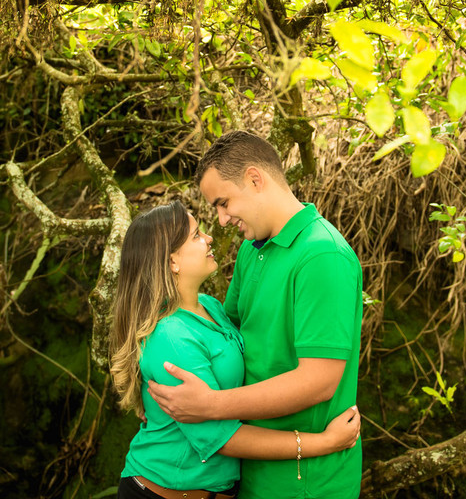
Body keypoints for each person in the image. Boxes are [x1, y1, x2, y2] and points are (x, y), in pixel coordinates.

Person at [147, 131, 364, 498]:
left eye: (223, 202)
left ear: (254, 179)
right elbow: (228, 334)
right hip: (250, 470)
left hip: (306, 481)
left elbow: (319, 381)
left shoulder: (322, 256)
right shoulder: (254, 248)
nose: (221, 219)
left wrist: (211, 406)